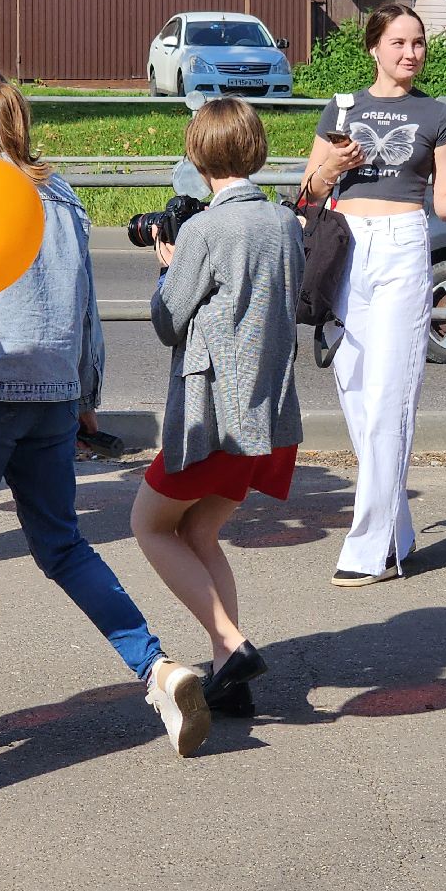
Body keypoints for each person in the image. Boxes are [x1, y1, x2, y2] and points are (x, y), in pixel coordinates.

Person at [0, 66, 210, 760]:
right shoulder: (59, 192)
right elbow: (84, 302)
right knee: (63, 546)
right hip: (53, 392)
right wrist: (86, 395)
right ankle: (156, 668)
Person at [130, 98, 304, 719]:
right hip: (267, 411)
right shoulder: (283, 221)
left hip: (213, 414)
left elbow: (167, 321)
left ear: (197, 155)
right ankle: (231, 671)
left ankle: (232, 644)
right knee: (200, 531)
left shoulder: (204, 230)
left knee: (148, 525)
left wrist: (168, 269)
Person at [299, 2, 446, 587]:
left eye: (418, 42)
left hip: (402, 243)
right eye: (398, 42)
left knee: (391, 393)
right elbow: (308, 192)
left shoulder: (437, 114)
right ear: (374, 47)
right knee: (354, 387)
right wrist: (332, 166)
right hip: (345, 244)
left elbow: (444, 202)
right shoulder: (342, 108)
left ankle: (370, 547)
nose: (410, 53)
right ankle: (397, 529)